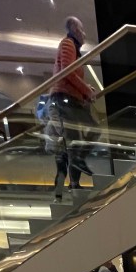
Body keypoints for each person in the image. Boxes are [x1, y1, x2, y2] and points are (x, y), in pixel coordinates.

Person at [50, 16, 95, 197]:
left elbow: (70, 75)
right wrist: (86, 91)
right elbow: (67, 72)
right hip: (64, 100)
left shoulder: (73, 47)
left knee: (73, 144)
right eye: (82, 30)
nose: (84, 34)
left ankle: (71, 184)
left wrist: (85, 92)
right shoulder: (68, 44)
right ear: (75, 30)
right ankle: (69, 187)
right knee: (72, 144)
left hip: (69, 101)